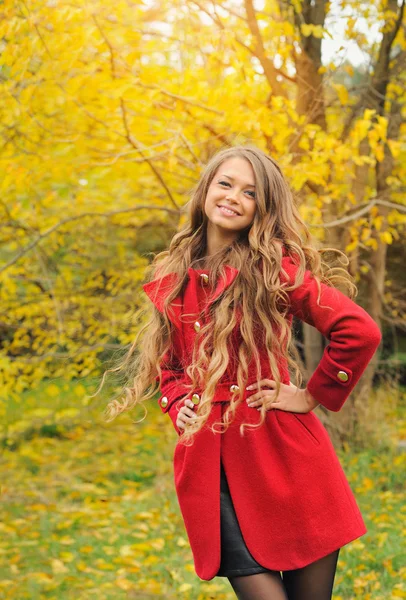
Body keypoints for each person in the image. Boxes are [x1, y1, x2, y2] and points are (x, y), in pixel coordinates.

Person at [101, 145, 382, 600]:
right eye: (225, 183)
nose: (233, 196)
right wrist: (178, 404)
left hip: (287, 458)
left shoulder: (274, 271)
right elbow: (168, 367)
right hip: (213, 470)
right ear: (206, 190)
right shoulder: (173, 276)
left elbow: (359, 330)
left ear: (262, 208)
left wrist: (311, 395)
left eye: (249, 192)